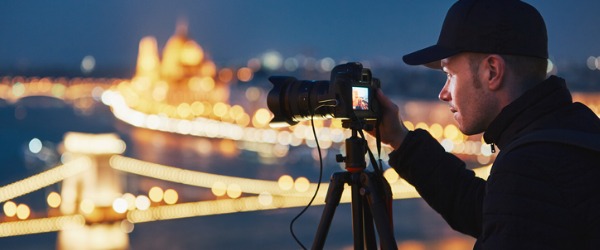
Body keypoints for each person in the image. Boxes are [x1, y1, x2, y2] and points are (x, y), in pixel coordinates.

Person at [373, 0, 600, 249]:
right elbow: (487, 209)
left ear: (492, 71)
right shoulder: (575, 131)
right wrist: (399, 137)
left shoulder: (527, 168)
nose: (443, 93)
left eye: (450, 75)